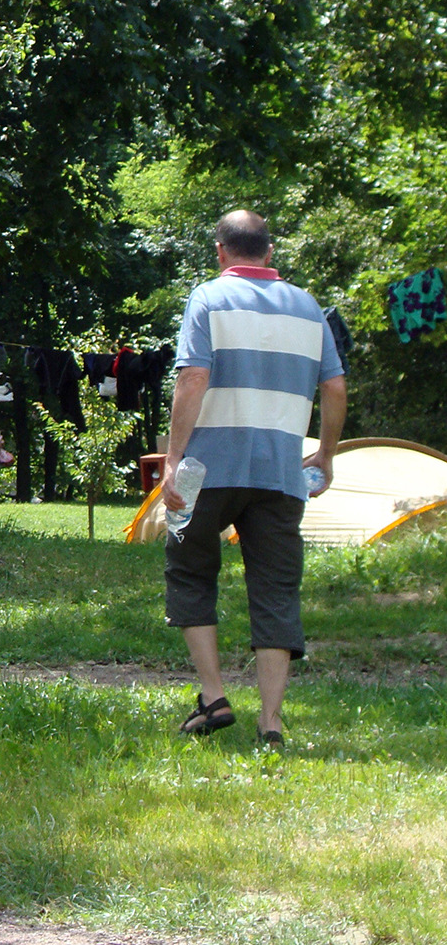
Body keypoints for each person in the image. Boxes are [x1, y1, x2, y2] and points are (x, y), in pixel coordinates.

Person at [161, 210, 345, 747]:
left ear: (221, 251)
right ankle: (271, 722)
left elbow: (193, 376)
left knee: (192, 573)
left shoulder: (208, 298)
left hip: (206, 469)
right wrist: (326, 455)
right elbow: (334, 388)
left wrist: (172, 459)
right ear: (269, 252)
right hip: (280, 472)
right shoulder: (309, 307)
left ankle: (214, 697)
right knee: (276, 589)